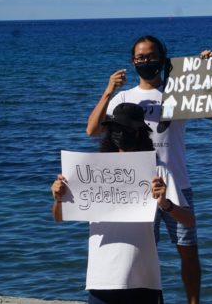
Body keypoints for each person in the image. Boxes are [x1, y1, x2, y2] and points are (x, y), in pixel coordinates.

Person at [86, 36, 211, 304]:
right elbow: (93, 130)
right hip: (135, 187)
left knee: (187, 249)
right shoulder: (123, 97)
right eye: (140, 57)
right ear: (133, 62)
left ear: (162, 58)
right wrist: (108, 90)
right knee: (143, 250)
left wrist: (205, 72)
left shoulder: (178, 93)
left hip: (175, 181)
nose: (146, 61)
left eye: (151, 56)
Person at [52, 102, 195, 304]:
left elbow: (188, 221)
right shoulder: (90, 172)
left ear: (139, 133)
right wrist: (59, 198)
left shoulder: (157, 171)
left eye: (127, 129)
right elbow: (58, 217)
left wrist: (166, 204)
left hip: (144, 278)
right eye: (116, 129)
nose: (121, 133)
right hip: (101, 277)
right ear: (109, 132)